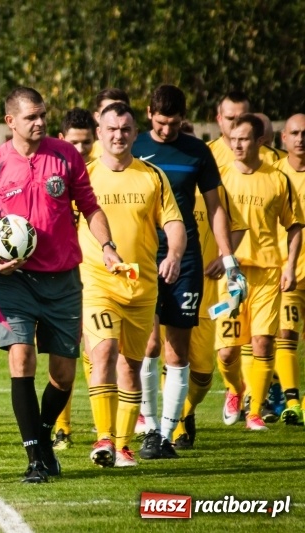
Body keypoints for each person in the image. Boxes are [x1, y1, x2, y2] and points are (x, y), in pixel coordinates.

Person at [0, 87, 119, 482]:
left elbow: (90, 206)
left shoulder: (66, 156)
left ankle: (41, 433)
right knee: (21, 360)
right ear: (11, 122)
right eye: (31, 117)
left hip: (63, 280)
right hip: (15, 280)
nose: (39, 123)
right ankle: (36, 458)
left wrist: (107, 246)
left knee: (63, 375)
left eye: (42, 115)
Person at [131, 85, 242, 459]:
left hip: (187, 259)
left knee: (177, 350)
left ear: (183, 117)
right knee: (147, 344)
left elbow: (216, 208)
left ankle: (167, 433)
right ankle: (147, 425)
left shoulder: (198, 152)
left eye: (173, 123)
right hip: (146, 255)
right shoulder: (134, 147)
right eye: (160, 123)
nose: (166, 131)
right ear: (149, 114)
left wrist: (228, 259)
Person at [81, 102, 185, 468]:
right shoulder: (87, 175)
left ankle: (123, 446)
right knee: (105, 352)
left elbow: (173, 223)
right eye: (111, 129)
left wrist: (173, 254)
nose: (118, 135)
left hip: (141, 288)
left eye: (125, 129)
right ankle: (104, 437)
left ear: (134, 132)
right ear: (99, 133)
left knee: (131, 367)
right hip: (97, 282)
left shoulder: (152, 176)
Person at [216, 114, 302, 431]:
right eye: (234, 139)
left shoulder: (278, 179)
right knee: (226, 353)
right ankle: (236, 389)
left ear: (260, 141)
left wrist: (290, 265)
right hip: (231, 275)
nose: (237, 145)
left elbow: (294, 226)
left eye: (244, 139)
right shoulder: (220, 178)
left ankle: (254, 410)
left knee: (263, 342)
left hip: (267, 272)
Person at [170, 186, 246, 448]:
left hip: (204, 294)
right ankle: (175, 424)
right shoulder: (157, 181)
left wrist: (224, 257)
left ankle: (188, 409)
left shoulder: (214, 190)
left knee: (202, 372)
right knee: (170, 358)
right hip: (165, 288)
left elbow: (237, 226)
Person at [51, 107, 98, 450]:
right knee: (64, 351)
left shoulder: (100, 172)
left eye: (87, 142)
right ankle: (62, 427)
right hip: (64, 271)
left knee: (95, 350)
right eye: (75, 143)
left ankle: (105, 427)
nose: (82, 150)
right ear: (63, 139)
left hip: (97, 271)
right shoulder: (57, 171)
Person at [273, 113, 305, 426]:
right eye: (295, 133)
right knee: (286, 333)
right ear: (284, 138)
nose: (301, 138)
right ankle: (292, 400)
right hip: (288, 272)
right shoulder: (275, 174)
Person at [207, 92, 282, 169]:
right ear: (219, 119)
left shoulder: (270, 156)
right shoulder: (205, 152)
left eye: (241, 118)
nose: (235, 122)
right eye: (230, 118)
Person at [89, 88, 131, 160]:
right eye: (107, 111)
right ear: (97, 117)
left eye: (120, 110)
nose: (115, 115)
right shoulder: (88, 154)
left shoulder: (141, 150)